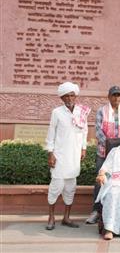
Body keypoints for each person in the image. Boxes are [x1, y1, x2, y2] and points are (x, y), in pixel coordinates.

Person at [45, 82, 91, 230]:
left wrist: (83, 149)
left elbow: (84, 132)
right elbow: (51, 135)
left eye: (72, 95)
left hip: (74, 157)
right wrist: (50, 153)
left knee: (70, 188)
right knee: (56, 187)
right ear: (62, 98)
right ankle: (51, 217)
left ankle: (66, 217)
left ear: (75, 96)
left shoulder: (82, 111)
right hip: (59, 156)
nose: (70, 98)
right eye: (67, 96)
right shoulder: (57, 112)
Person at [86, 86, 120, 225]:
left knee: (118, 182)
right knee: (100, 181)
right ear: (109, 96)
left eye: (118, 95)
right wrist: (109, 146)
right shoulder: (102, 111)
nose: (116, 98)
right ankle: (96, 211)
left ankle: (115, 213)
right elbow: (99, 131)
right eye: (113, 95)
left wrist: (119, 149)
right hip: (103, 152)